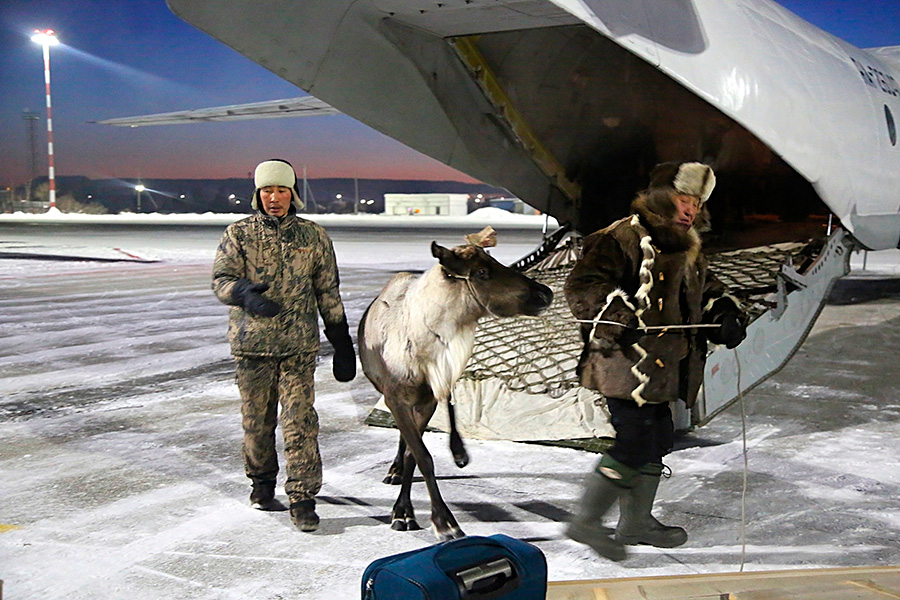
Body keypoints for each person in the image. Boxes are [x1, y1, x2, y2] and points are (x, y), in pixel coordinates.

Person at [563, 161, 748, 560]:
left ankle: (636, 522)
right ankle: (586, 521)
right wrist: (618, 317)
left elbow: (707, 289)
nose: (690, 211)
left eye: (696, 204)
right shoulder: (621, 237)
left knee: (658, 439)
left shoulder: (688, 246)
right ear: (664, 196)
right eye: (684, 200)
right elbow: (583, 285)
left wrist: (724, 315)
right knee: (634, 439)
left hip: (665, 366)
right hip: (623, 363)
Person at [212, 159, 356, 532]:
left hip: (297, 346)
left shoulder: (313, 237)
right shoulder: (238, 234)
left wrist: (340, 339)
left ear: (293, 194)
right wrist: (242, 293)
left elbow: (327, 290)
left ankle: (303, 498)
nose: (274, 198)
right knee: (257, 424)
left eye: (281, 190)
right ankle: (262, 483)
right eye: (267, 191)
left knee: (300, 422)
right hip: (252, 346)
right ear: (257, 195)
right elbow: (221, 279)